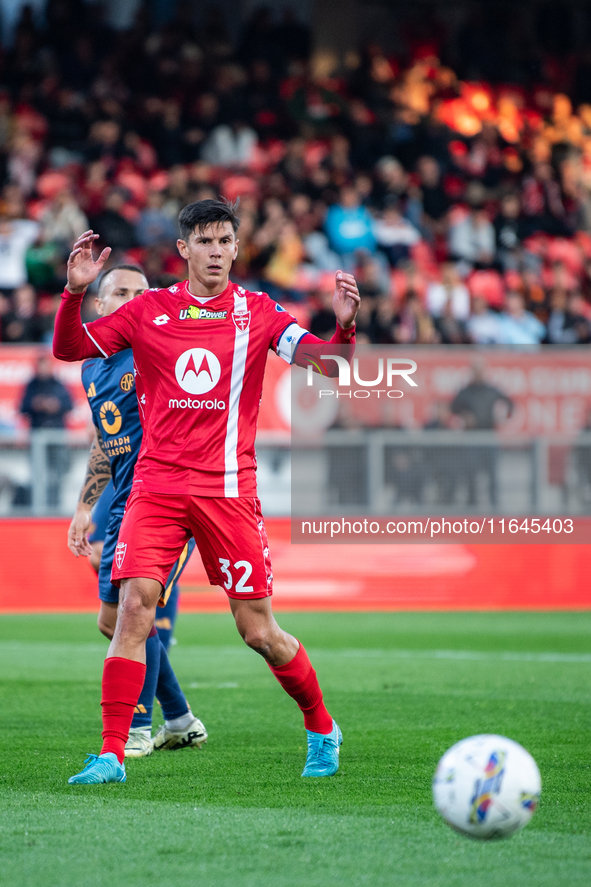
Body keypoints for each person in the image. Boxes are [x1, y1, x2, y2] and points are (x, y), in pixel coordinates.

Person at [53, 199, 359, 785]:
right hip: (158, 486)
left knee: (258, 631)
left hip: (227, 491)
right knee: (133, 611)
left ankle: (322, 728)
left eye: (226, 241)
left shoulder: (258, 311)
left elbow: (332, 367)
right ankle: (112, 754)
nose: (217, 251)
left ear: (236, 248)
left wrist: (344, 327)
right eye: (206, 241)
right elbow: (70, 349)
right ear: (184, 250)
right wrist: (73, 293)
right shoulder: (148, 311)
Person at [68, 264, 205, 758]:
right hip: (122, 502)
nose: (132, 299)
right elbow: (107, 444)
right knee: (112, 622)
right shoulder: (92, 366)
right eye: (120, 292)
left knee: (132, 615)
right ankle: (181, 718)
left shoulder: (155, 353)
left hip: (167, 497)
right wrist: (86, 508)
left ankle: (139, 729)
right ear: (99, 306)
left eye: (142, 292)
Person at [20, 352, 73, 508]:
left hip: (56, 436)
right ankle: (38, 507)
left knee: (58, 474)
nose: (43, 369)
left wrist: (54, 405)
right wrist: (37, 404)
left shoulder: (59, 384)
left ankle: (55, 505)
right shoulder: (31, 385)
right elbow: (22, 407)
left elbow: (69, 405)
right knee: (37, 474)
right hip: (37, 437)